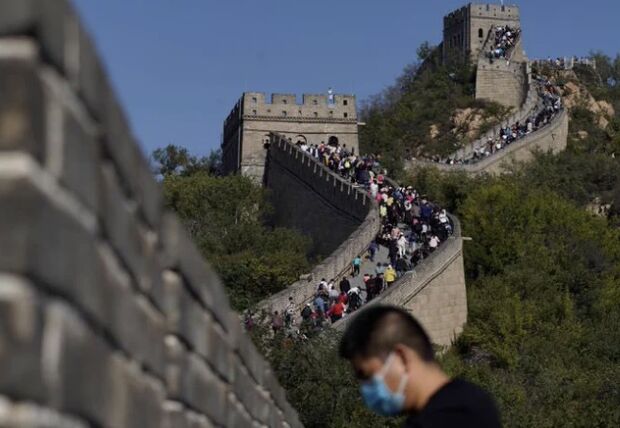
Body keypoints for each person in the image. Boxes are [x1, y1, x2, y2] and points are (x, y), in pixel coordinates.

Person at [339, 305, 501, 427]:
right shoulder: (472, 396)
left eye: (368, 376)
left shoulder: (445, 419)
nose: (365, 389)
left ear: (401, 358)